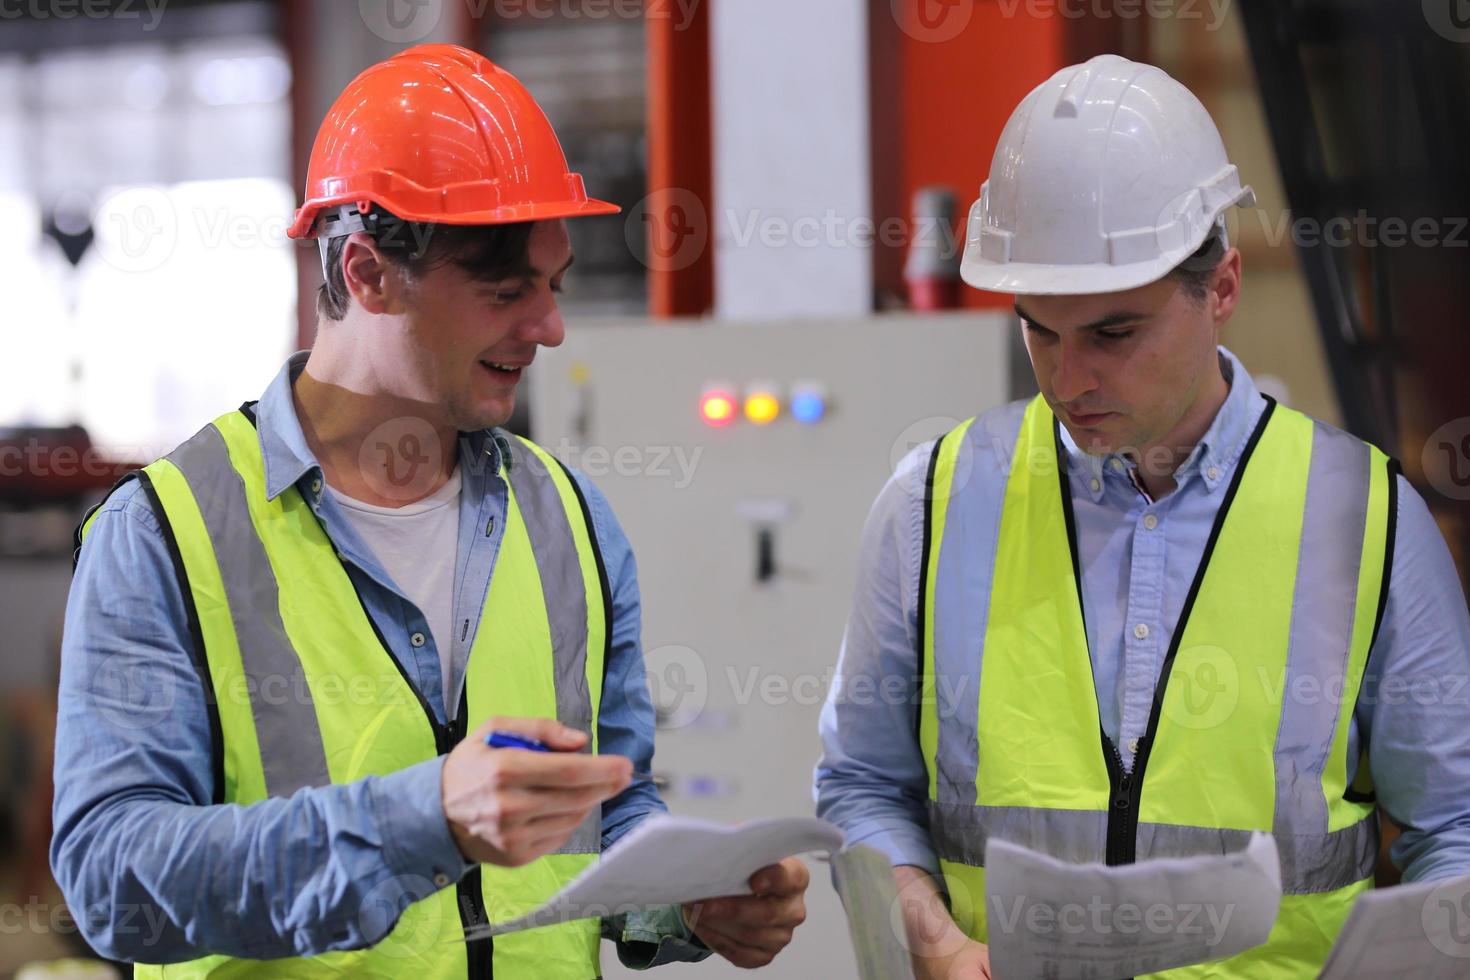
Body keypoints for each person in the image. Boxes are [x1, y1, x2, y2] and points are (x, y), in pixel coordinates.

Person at [52, 44, 808, 978]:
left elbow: (600, 812)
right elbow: (111, 880)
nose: (549, 328)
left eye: (554, 284)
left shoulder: (567, 521)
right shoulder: (164, 535)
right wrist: (424, 820)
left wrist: (689, 896)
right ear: (367, 273)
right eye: (506, 292)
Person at [815, 54, 1470, 979]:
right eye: (1039, 329)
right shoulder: (934, 505)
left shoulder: (1363, 519)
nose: (1068, 378)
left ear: (1224, 289)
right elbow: (863, 784)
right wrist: (926, 932)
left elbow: (1456, 826)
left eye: (1114, 334)